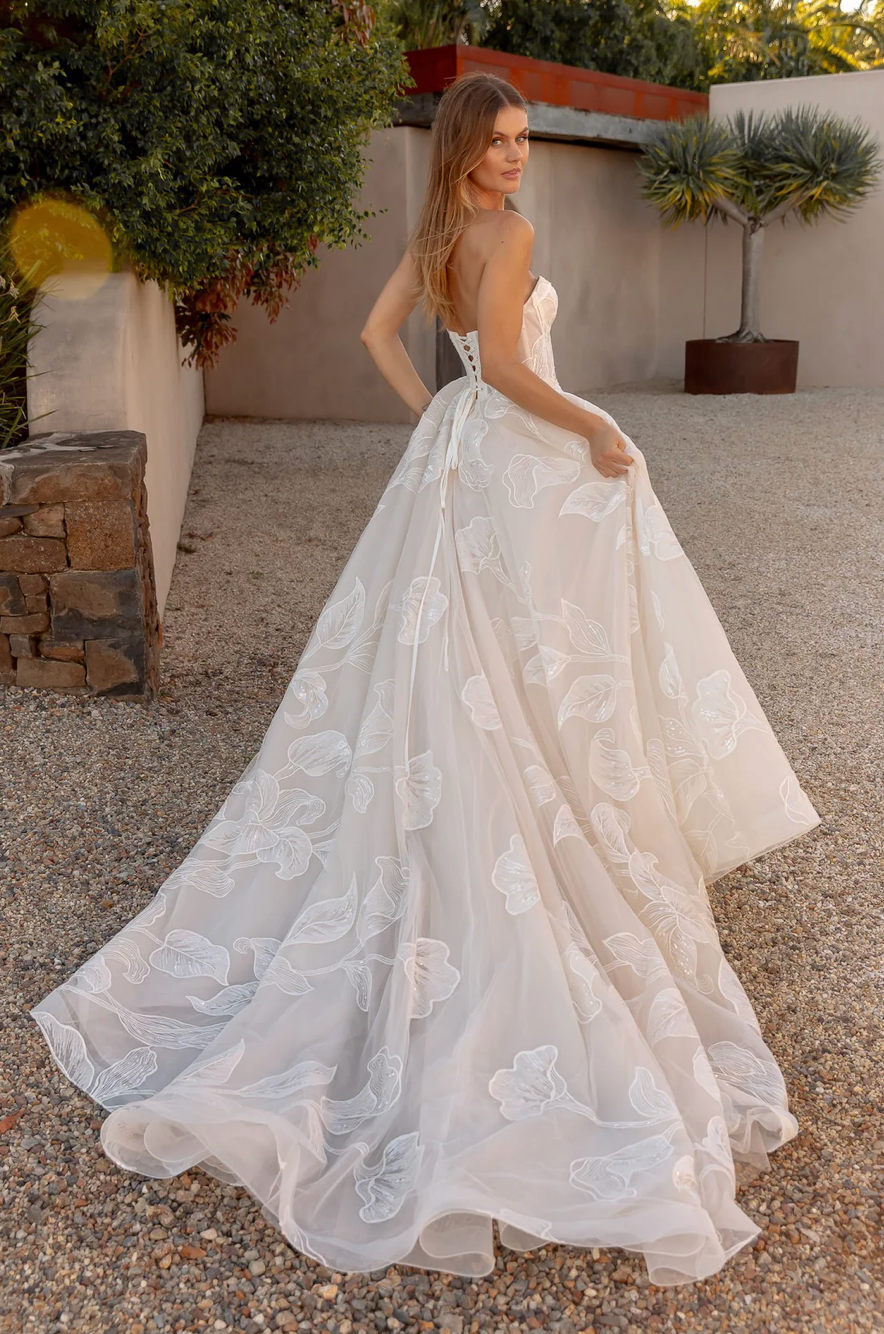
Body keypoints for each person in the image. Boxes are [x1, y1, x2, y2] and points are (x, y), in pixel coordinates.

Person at [30, 71, 820, 1288]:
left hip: (456, 452)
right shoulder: (503, 235)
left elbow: (381, 341)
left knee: (460, 653)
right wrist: (594, 428)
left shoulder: (438, 234)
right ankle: (537, 813)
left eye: (521, 142)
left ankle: (509, 796)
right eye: (499, 141)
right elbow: (503, 366)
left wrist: (427, 419)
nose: (516, 158)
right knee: (518, 647)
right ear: (464, 145)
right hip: (502, 444)